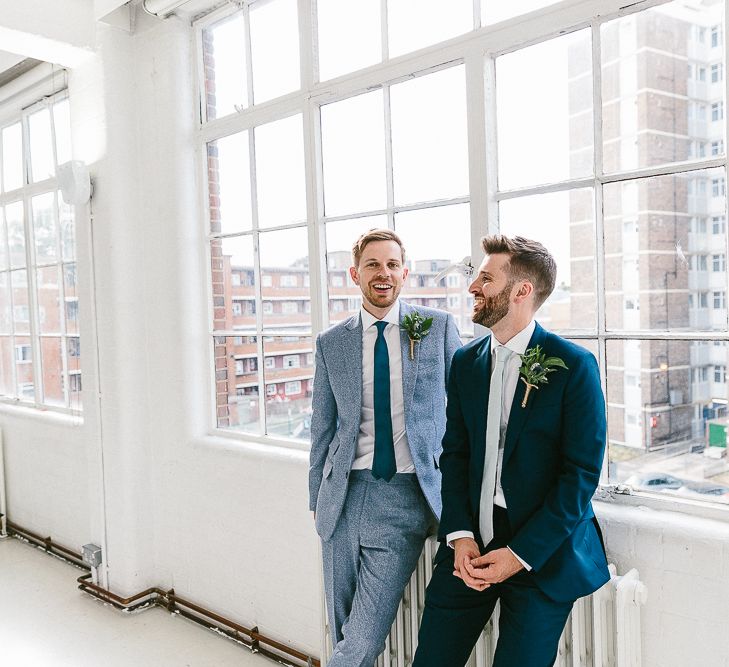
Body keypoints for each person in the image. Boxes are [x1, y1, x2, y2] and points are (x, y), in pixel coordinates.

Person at [413, 235, 609, 667]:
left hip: (542, 551)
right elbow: (456, 455)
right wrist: (460, 534)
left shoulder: (573, 366)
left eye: (485, 279)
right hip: (470, 543)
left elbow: (579, 475)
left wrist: (519, 555)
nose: (472, 288)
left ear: (522, 291)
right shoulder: (465, 363)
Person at [309, 228, 461, 666]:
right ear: (355, 274)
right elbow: (322, 426)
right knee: (342, 628)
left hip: (405, 496)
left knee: (363, 638)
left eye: (392, 265)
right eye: (373, 264)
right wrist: (316, 496)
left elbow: (464, 408)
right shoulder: (331, 343)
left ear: (405, 273)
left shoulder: (436, 328)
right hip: (341, 497)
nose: (383, 273)